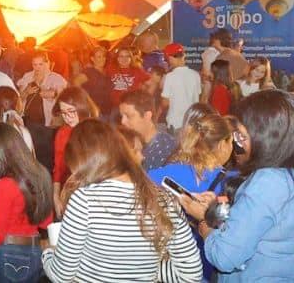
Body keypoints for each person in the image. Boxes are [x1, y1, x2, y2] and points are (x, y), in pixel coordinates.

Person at [44, 120, 201, 281]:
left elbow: (61, 276)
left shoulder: (84, 200)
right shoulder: (165, 200)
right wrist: (146, 270)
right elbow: (191, 274)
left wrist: (48, 253)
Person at [178, 90, 294, 281]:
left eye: (241, 136)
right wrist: (215, 209)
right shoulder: (285, 175)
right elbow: (262, 225)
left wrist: (205, 223)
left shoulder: (268, 181)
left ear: (265, 137)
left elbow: (224, 256)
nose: (236, 144)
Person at [148, 114, 236, 281]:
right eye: (230, 141)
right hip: (208, 266)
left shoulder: (169, 173)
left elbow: (134, 184)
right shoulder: (231, 183)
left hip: (173, 265)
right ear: (221, 145)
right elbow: (230, 227)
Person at [0, 122, 53, 283]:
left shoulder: (5, 184)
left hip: (9, 255)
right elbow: (47, 222)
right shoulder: (40, 173)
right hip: (34, 251)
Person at [51, 87, 99, 210]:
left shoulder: (97, 131)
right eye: (63, 112)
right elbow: (58, 168)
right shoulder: (63, 132)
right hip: (69, 190)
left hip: (95, 192)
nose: (67, 117)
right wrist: (56, 196)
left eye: (71, 111)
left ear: (82, 107)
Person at [120, 89, 178, 171]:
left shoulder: (167, 149)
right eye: (121, 116)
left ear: (147, 116)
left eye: (128, 116)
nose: (123, 122)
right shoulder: (126, 142)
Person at [17, 51, 67, 127]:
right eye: (35, 64)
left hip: (48, 122)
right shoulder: (27, 76)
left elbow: (65, 98)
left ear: (47, 63)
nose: (37, 67)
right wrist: (26, 92)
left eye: (41, 64)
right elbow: (18, 99)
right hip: (27, 121)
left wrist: (54, 94)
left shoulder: (56, 78)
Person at [160, 43, 201, 133]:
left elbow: (165, 103)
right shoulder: (195, 75)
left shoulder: (170, 77)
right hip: (193, 123)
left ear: (170, 58)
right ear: (183, 56)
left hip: (175, 124)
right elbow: (198, 97)